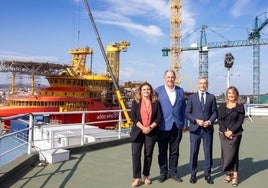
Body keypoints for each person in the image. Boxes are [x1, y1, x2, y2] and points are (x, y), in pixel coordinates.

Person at [155, 70, 186, 183]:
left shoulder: (180, 91)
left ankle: (173, 172)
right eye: (168, 77)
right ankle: (163, 173)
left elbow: (184, 109)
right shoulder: (158, 91)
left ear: (175, 78)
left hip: (177, 125)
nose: (170, 79)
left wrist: (184, 123)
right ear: (164, 77)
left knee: (175, 151)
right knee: (162, 151)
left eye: (172, 77)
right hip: (162, 126)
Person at [185, 76, 218, 184]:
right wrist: (196, 121)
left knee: (208, 152)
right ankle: (193, 174)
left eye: (204, 83)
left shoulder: (211, 97)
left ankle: (207, 174)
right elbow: (187, 113)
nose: (203, 85)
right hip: (195, 129)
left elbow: (215, 112)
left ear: (207, 85)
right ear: (197, 84)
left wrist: (209, 121)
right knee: (194, 152)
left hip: (207, 129)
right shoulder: (192, 98)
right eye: (201, 83)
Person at [130, 82, 162, 187]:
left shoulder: (156, 103)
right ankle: (137, 178)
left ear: (151, 91)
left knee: (148, 154)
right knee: (136, 154)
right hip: (138, 131)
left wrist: (150, 127)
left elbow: (158, 117)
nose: (146, 91)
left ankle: (146, 176)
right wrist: (143, 127)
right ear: (140, 91)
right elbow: (133, 117)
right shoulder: (135, 102)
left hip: (151, 132)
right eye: (144, 89)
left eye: (148, 89)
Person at [217, 86, 245, 187]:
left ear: (236, 94)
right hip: (223, 133)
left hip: (236, 134)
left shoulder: (240, 106)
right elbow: (220, 119)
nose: (231, 95)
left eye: (233, 93)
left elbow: (240, 121)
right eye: (229, 93)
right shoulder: (222, 106)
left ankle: (235, 176)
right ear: (227, 95)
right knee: (225, 153)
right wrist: (225, 131)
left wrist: (232, 131)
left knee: (234, 153)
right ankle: (228, 173)